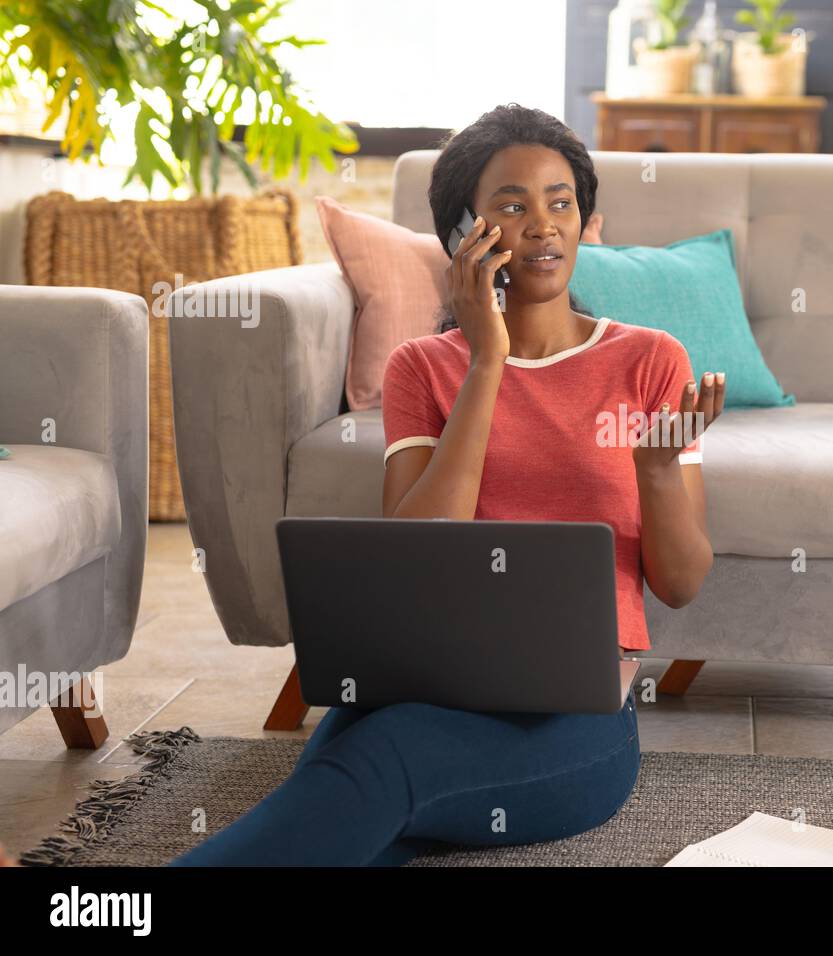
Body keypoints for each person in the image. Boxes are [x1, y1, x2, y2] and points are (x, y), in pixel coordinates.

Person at [169, 103, 725, 866]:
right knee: (353, 798)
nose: (543, 225)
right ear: (465, 233)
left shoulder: (650, 360)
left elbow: (683, 583)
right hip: (428, 681)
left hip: (579, 720)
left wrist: (656, 473)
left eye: (561, 202)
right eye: (512, 205)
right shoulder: (422, 368)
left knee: (379, 766)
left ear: (586, 219)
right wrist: (486, 361)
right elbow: (421, 547)